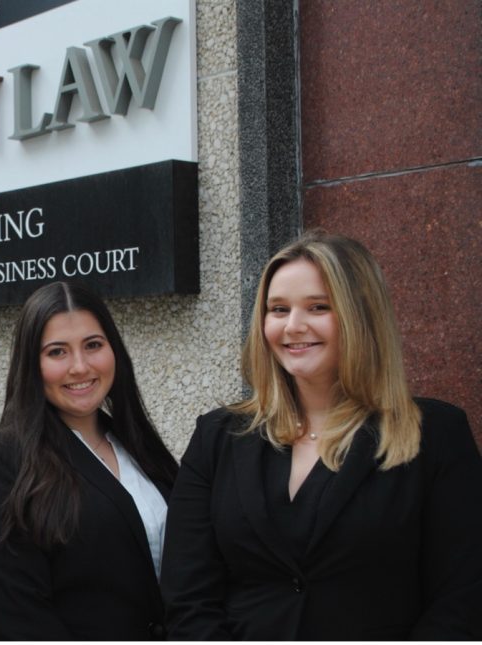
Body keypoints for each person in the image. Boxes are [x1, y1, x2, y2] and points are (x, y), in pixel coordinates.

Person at [161, 230, 482, 639]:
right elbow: (187, 593)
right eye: (278, 309)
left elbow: (464, 594)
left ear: (360, 315)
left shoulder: (435, 434)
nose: (294, 326)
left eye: (318, 307)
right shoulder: (218, 436)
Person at [0, 281, 179, 640]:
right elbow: (17, 614)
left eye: (93, 345)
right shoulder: (0, 460)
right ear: (31, 364)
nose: (80, 366)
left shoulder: (142, 449)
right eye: (57, 352)